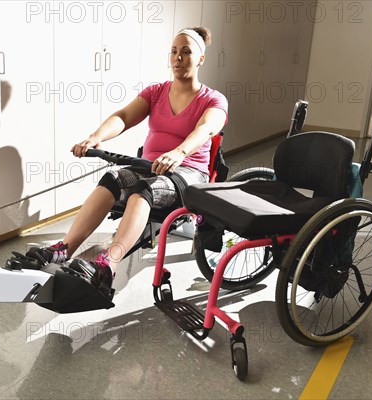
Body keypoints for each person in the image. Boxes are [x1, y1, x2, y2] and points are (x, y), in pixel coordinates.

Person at [26, 27, 228, 298]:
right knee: (112, 179)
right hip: (149, 167)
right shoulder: (157, 92)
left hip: (187, 173)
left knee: (142, 192)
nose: (178, 57)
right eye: (174, 51)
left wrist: (179, 152)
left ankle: (108, 264)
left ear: (201, 58)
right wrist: (96, 137)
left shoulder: (213, 99)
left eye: (187, 52)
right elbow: (123, 116)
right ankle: (65, 248)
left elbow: (205, 130)